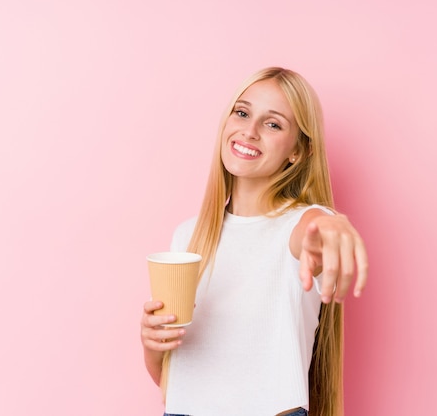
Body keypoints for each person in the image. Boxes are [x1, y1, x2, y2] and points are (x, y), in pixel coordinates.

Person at [140, 67, 368, 416]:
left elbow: (317, 228)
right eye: (243, 113)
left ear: (298, 152)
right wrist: (153, 344)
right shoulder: (188, 235)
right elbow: (173, 380)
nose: (249, 130)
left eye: (273, 124)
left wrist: (333, 226)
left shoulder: (298, 228)